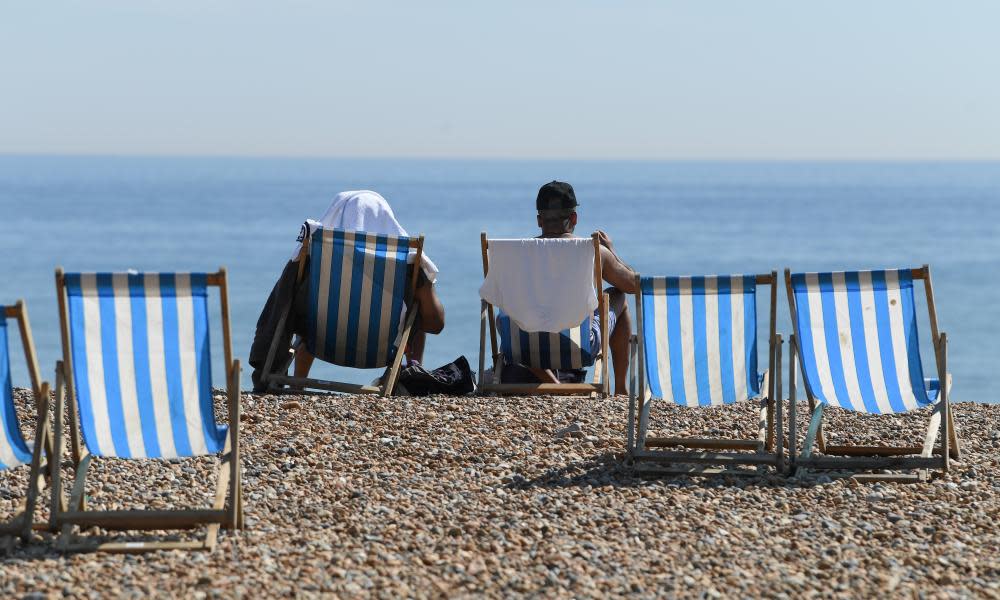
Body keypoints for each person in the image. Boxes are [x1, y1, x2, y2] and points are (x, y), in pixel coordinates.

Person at [248, 191, 445, 390]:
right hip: (380, 348)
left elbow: (281, 305)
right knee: (415, 306)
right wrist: (423, 284)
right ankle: (409, 375)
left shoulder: (316, 255)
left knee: (310, 305)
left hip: (322, 339)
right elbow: (435, 324)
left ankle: (297, 385)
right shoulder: (406, 264)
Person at [515, 180, 637, 395]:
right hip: (579, 347)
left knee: (518, 315)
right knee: (618, 296)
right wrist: (612, 251)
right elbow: (633, 285)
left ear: (539, 220)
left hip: (523, 345)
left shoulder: (515, 254)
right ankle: (620, 389)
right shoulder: (594, 252)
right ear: (573, 218)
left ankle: (554, 384)